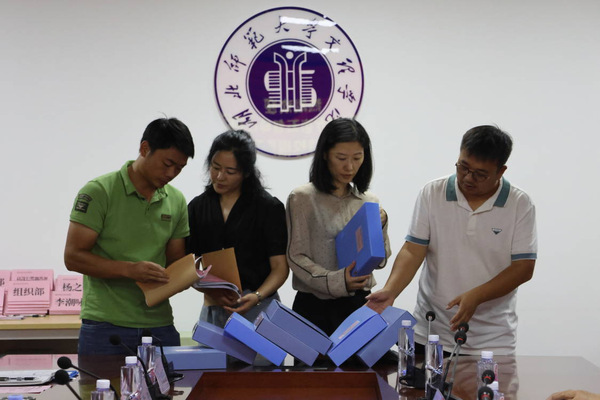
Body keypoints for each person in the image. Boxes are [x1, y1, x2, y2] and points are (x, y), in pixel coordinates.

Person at [366, 125, 537, 355]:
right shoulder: (433, 192)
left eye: (480, 174)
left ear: (501, 171)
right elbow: (413, 250)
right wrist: (391, 290)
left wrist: (477, 295)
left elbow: (523, 268)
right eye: (463, 167)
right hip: (430, 330)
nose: (468, 178)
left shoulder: (520, 204)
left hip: (492, 339)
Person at [64, 117, 195, 355]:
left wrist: (194, 276)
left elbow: (175, 262)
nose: (171, 173)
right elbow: (73, 257)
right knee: (100, 381)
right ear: (145, 149)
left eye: (179, 168)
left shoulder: (176, 200)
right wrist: (130, 270)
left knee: (170, 381)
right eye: (167, 164)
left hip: (159, 323)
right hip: (105, 324)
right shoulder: (100, 191)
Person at [286, 118, 391, 335]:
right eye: (341, 158)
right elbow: (295, 256)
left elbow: (380, 260)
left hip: (358, 305)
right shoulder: (302, 198)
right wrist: (337, 280)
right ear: (325, 154)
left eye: (357, 158)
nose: (349, 166)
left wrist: (381, 225)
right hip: (314, 308)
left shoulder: (368, 200)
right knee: (311, 359)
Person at [186, 130, 288, 328]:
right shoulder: (198, 207)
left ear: (246, 173)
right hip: (215, 305)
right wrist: (209, 290)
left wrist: (257, 296)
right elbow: (190, 266)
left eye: (230, 172)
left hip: (259, 306)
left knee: (260, 350)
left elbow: (280, 268)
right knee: (211, 349)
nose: (219, 177)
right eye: (215, 167)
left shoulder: (268, 207)